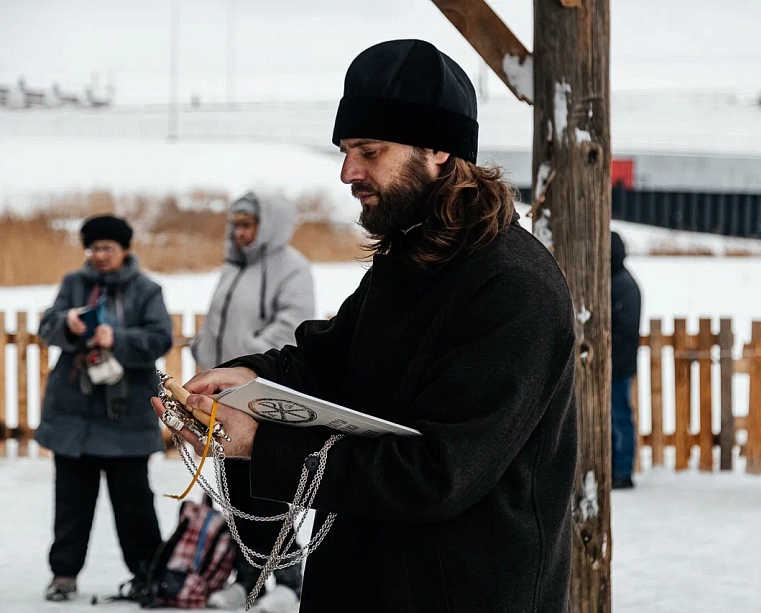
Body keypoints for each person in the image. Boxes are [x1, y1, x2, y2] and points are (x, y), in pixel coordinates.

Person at [154, 39, 578, 613]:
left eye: (369, 151)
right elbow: (326, 362)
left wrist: (265, 445)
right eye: (346, 150)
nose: (348, 172)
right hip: (363, 583)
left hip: (464, 593)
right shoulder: (407, 260)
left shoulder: (513, 285)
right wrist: (241, 382)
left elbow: (440, 472)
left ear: (437, 150)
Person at [35, 214, 172, 602]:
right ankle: (63, 574)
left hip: (126, 416)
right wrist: (68, 323)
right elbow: (47, 327)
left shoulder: (147, 289)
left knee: (134, 505)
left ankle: (148, 573)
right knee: (71, 503)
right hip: (73, 416)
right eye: (94, 248)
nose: (100, 255)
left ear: (125, 249)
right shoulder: (73, 284)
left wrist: (119, 338)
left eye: (107, 248)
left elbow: (161, 338)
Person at [190, 190, 315, 612]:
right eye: (235, 226)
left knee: (265, 493)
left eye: (248, 226)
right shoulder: (233, 268)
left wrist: (245, 361)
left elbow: (293, 326)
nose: (239, 233)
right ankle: (250, 580)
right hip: (223, 400)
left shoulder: (291, 268)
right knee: (232, 496)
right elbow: (217, 320)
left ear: (269, 226)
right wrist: (203, 352)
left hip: (259, 400)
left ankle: (290, 582)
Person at [610, 231, 642, 489]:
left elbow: (625, 331)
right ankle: (615, 468)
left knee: (620, 417)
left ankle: (622, 471)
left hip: (618, 365)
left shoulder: (622, 285)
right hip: (615, 363)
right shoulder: (616, 281)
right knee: (614, 418)